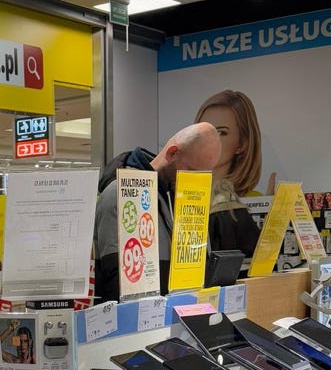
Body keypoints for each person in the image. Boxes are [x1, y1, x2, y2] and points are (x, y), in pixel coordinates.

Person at [93, 122, 221, 301]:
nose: (195, 179)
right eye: (191, 170)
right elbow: (118, 278)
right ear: (172, 153)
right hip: (137, 319)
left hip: (177, 313)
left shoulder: (183, 195)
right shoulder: (121, 193)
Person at [194, 90, 267, 260]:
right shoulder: (174, 197)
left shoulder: (248, 204)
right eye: (202, 130)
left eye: (221, 132)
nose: (208, 140)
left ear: (242, 144)